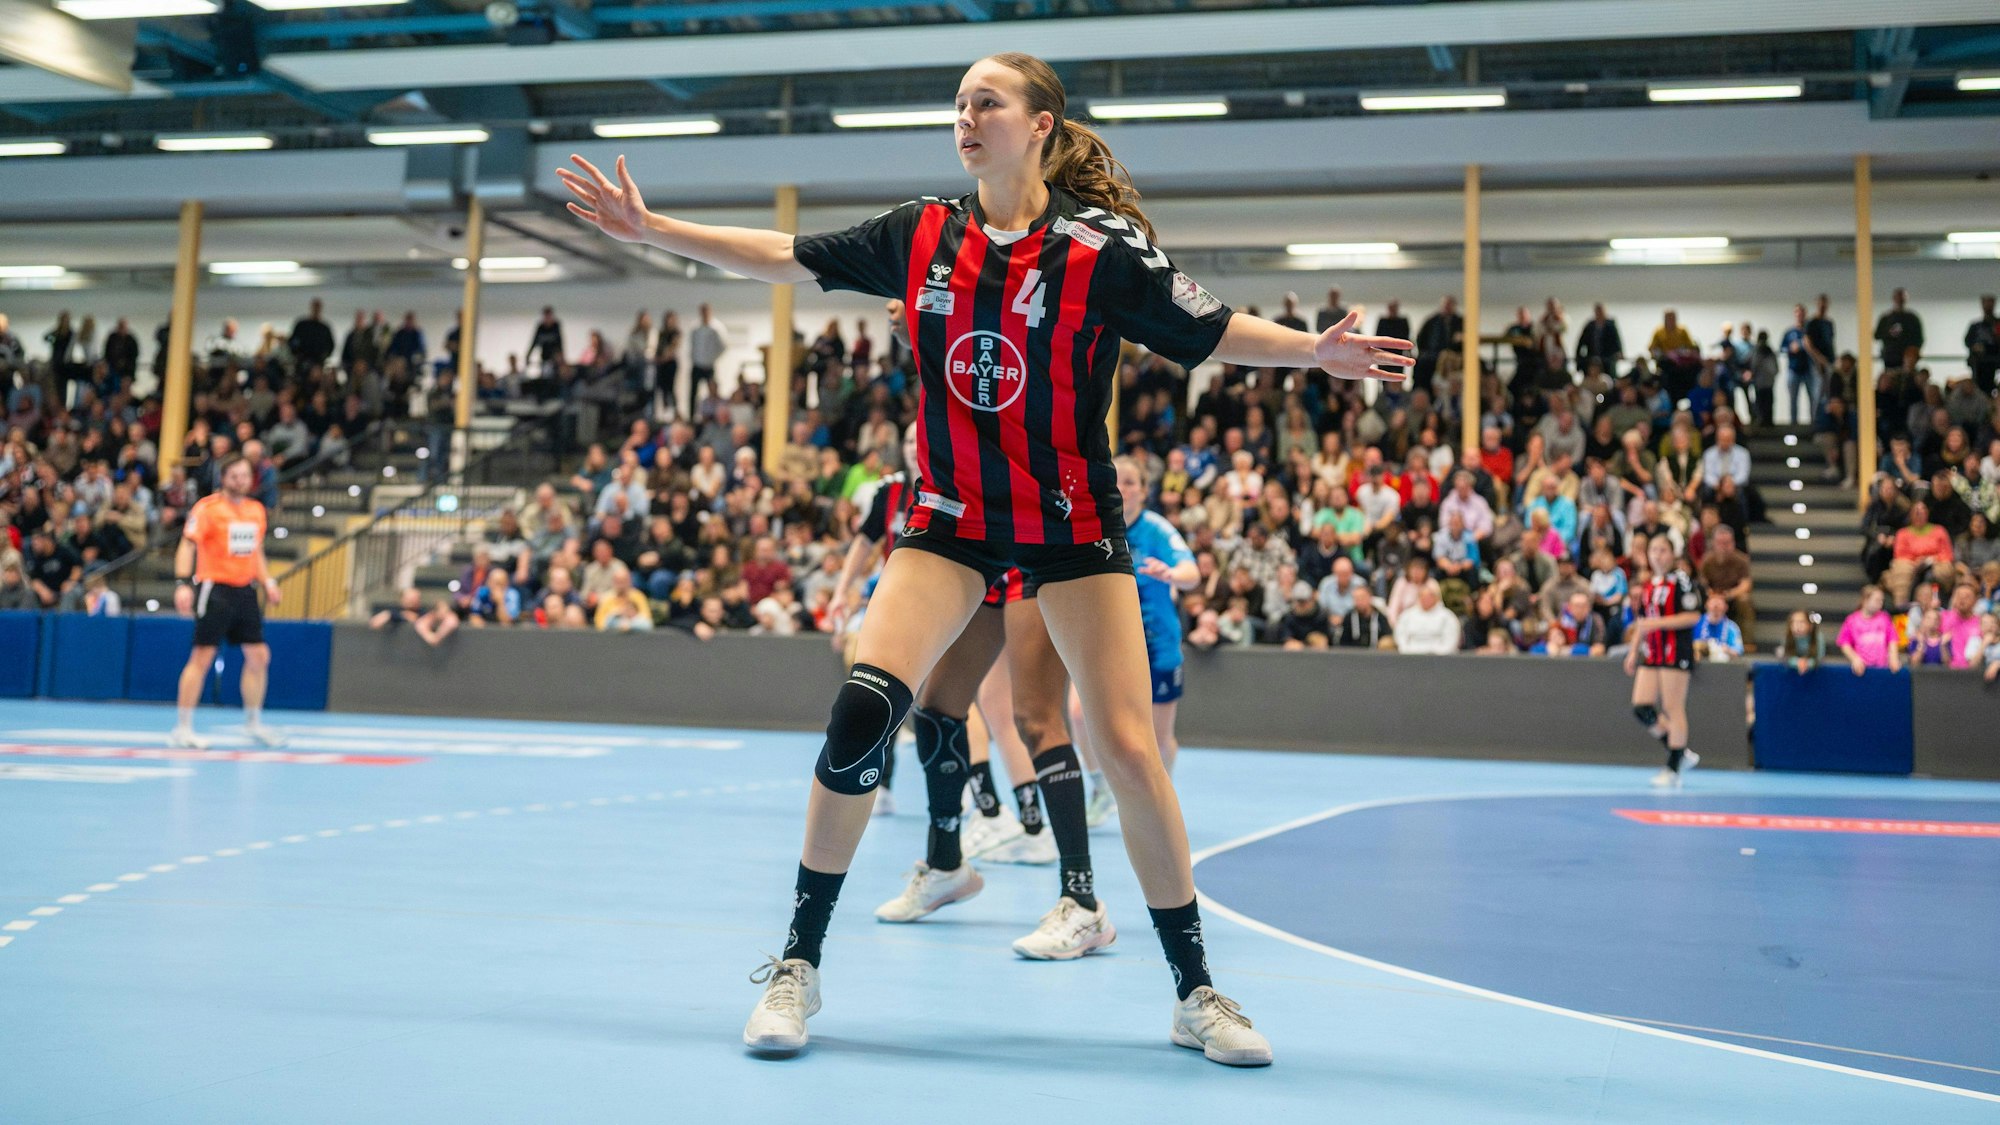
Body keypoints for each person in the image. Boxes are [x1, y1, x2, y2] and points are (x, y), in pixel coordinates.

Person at [563, 51, 1414, 1065]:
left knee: (1130, 753)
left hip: (1069, 524)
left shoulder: (1100, 253)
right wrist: (653, 230)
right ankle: (796, 965)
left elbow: (1214, 328)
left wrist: (1312, 352)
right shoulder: (919, 233)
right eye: (957, 105)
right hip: (949, 520)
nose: (965, 118)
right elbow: (784, 254)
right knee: (861, 711)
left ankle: (1194, 993)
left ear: (1041, 125)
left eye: (986, 102)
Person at [1073, 456, 1199, 825]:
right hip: (1107, 642)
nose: (1123, 489)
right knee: (1080, 713)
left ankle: (1162, 802)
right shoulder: (1094, 525)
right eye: (1118, 481)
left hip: (1156, 642)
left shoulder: (1157, 530)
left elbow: (1191, 575)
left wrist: (1172, 573)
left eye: (1131, 483)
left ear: (1144, 490)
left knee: (1159, 740)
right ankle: (1099, 787)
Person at [169, 455, 285, 749]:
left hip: (245, 591)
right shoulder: (208, 509)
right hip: (214, 589)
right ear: (224, 477)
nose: (241, 481)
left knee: (259, 656)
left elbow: (255, 551)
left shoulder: (256, 510)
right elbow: (187, 544)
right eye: (235, 475)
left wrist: (268, 581)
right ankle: (182, 728)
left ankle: (253, 723)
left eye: (245, 475)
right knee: (202, 658)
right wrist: (183, 584)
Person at [1623, 536, 1704, 789]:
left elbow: (1692, 616)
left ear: (1672, 554)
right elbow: (1642, 621)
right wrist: (1633, 650)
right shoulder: (1649, 585)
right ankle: (1679, 750)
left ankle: (1673, 766)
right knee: (1641, 707)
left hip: (1675, 650)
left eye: (1663, 550)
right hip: (1653, 651)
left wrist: (1655, 624)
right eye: (1653, 550)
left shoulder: (1682, 581)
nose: (1658, 555)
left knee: (1672, 706)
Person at [1836, 585, 1903, 675]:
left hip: (1882, 668)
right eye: (1877, 600)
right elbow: (1844, 643)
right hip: (1862, 670)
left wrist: (1893, 658)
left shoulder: (1884, 618)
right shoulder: (1852, 620)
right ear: (1865, 600)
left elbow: (1892, 640)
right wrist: (1855, 659)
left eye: (1882, 600)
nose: (1880, 603)